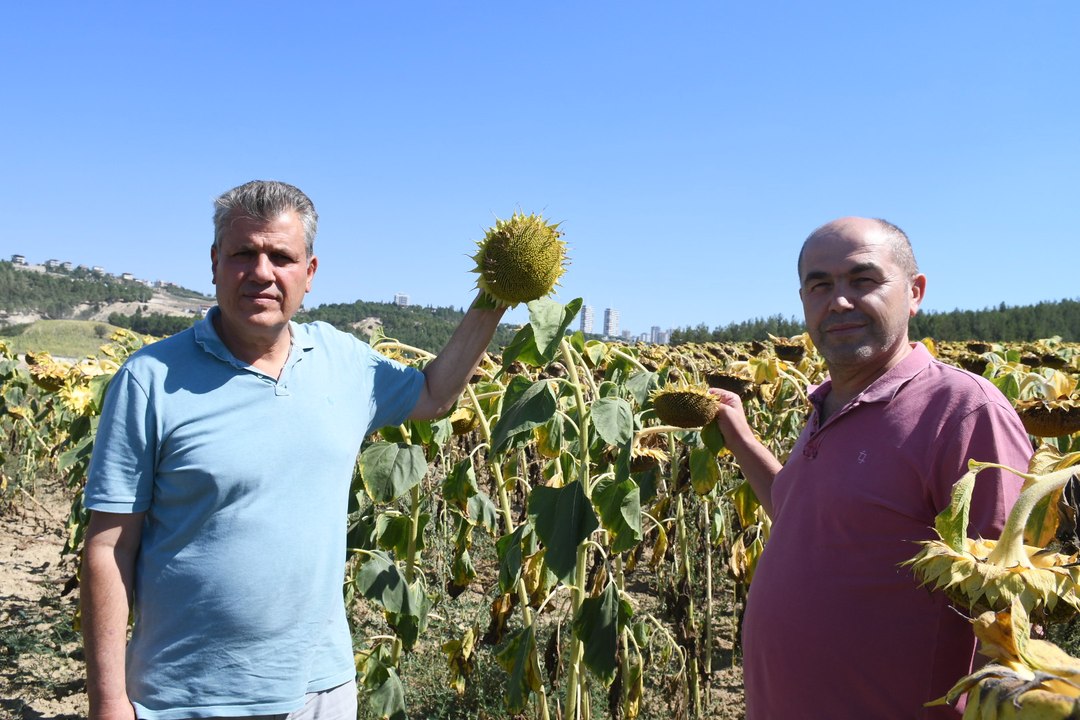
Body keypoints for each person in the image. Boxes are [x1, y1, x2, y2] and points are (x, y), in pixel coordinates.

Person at [80, 180, 507, 720]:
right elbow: (109, 547)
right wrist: (108, 700)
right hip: (188, 694)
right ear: (214, 263)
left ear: (309, 273)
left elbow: (434, 393)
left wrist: (494, 296)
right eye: (243, 254)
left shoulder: (342, 361)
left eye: (281, 256)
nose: (261, 272)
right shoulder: (149, 381)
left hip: (319, 688)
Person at [711, 217, 1033, 718]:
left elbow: (1007, 594)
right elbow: (799, 513)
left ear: (915, 292)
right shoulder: (827, 404)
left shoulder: (963, 412)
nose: (839, 300)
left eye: (863, 281)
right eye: (820, 285)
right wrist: (742, 438)